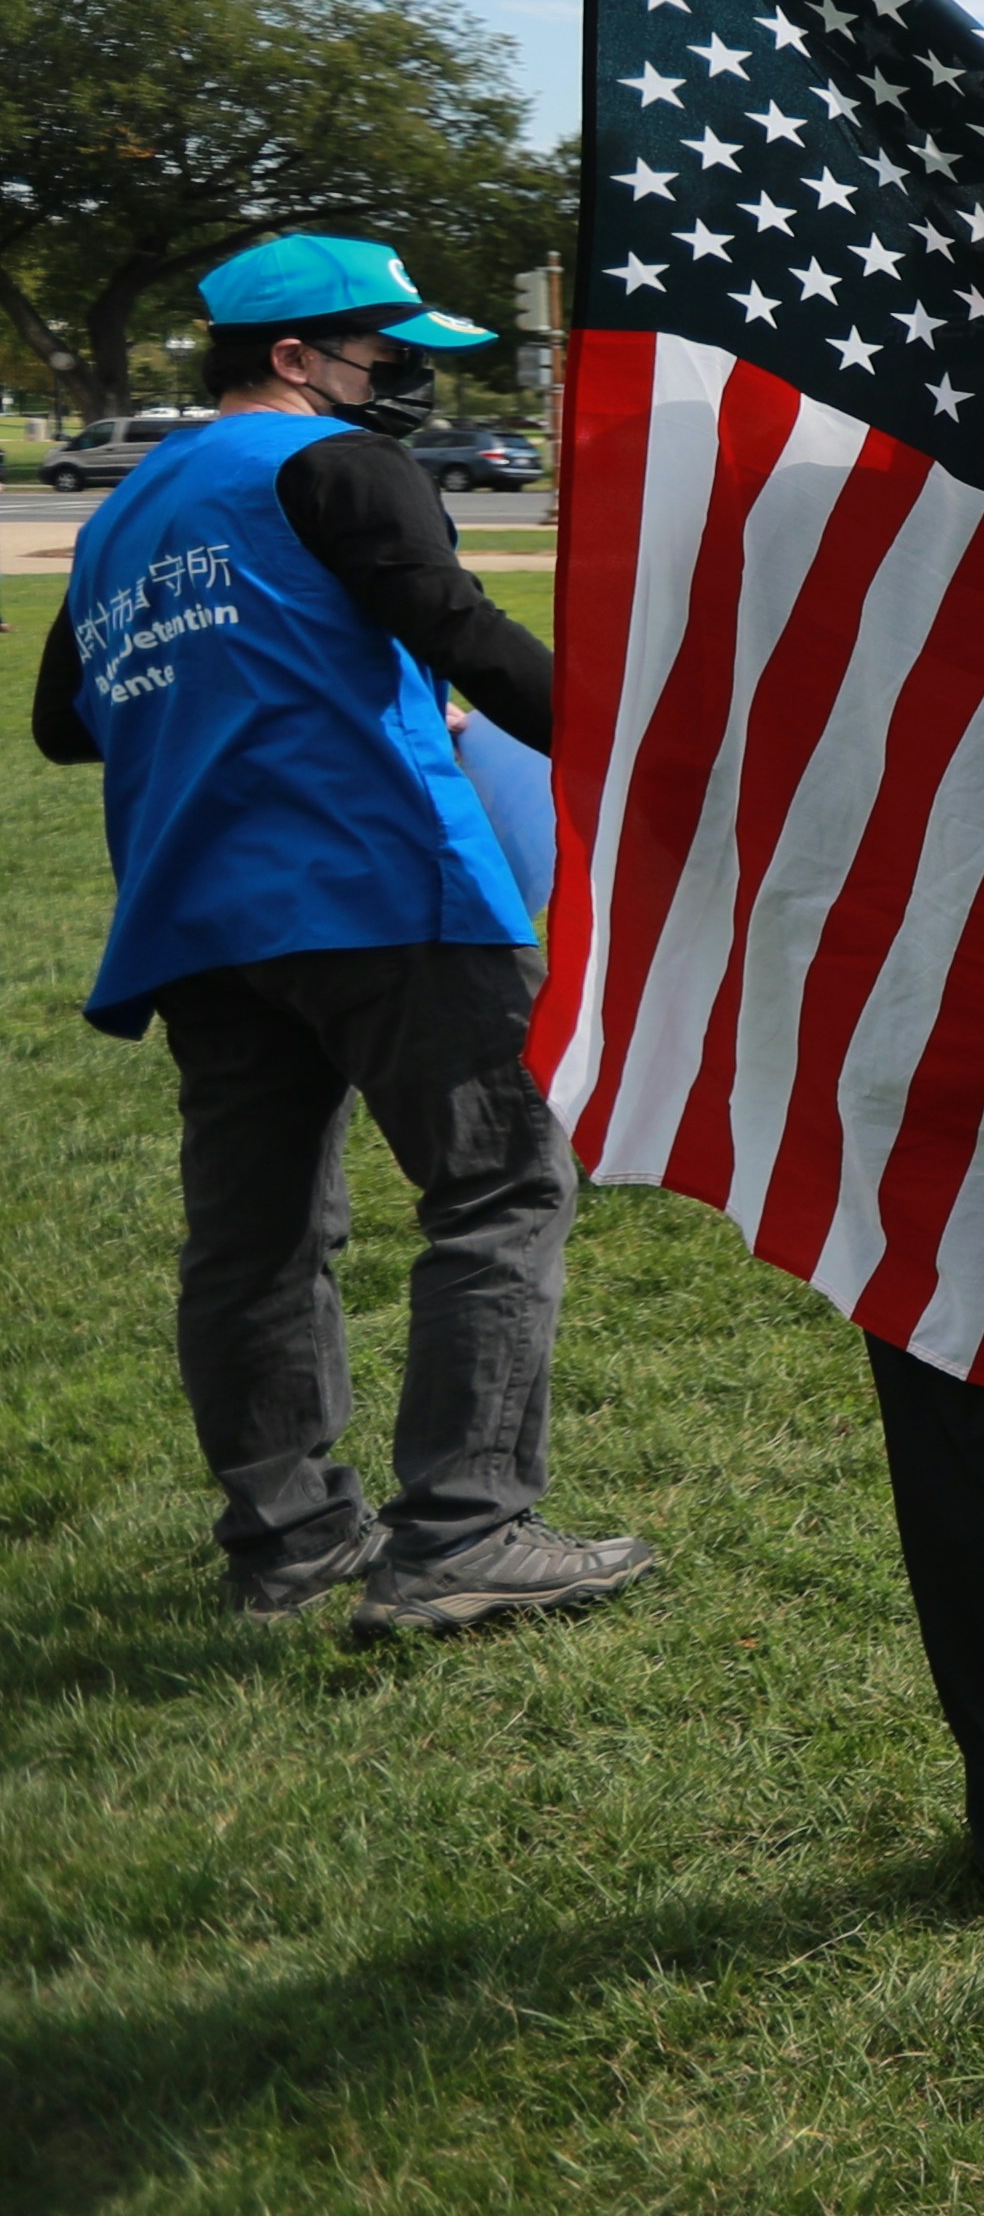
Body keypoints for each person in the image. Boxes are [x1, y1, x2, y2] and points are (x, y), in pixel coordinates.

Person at [39, 233, 654, 1635]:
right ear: (297, 358)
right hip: (381, 883)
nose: (409, 382)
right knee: (498, 1191)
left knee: (254, 1236)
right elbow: (462, 632)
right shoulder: (334, 464)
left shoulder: (122, 511)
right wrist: (639, 757)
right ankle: (464, 1535)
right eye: (389, 353)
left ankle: (288, 1537)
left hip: (198, 914)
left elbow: (63, 723)